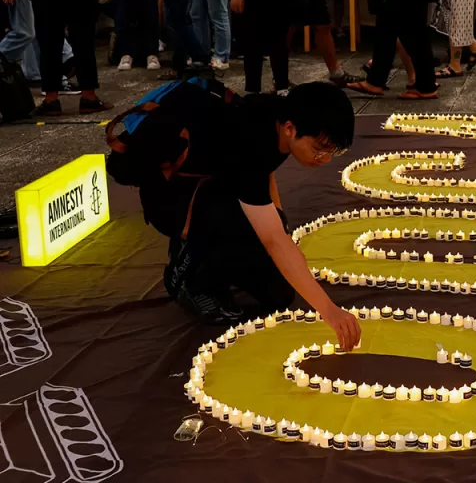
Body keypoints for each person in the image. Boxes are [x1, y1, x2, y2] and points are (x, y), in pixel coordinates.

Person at [150, 80, 361, 350]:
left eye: (333, 151)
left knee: (278, 293)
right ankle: (188, 273)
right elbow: (273, 239)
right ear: (290, 129)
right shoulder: (249, 142)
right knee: (246, 229)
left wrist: (279, 217)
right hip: (176, 200)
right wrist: (330, 311)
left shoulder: (279, 116)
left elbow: (267, 172)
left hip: (223, 188)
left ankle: (217, 258)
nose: (325, 159)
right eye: (320, 149)